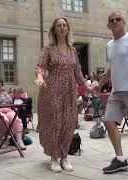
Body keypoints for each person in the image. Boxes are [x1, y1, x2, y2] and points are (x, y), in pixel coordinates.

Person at [94, 11, 128, 173]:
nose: (115, 21)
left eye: (118, 19)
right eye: (112, 20)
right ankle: (120, 159)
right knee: (109, 121)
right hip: (116, 92)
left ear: (124, 22)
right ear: (108, 25)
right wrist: (101, 84)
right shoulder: (109, 45)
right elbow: (112, 68)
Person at [34, 17, 91, 173]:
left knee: (68, 123)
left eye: (64, 25)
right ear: (54, 30)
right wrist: (40, 76)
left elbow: (78, 72)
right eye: (58, 25)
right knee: (54, 123)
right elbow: (40, 66)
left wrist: (87, 87)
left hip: (69, 92)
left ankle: (64, 156)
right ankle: (53, 157)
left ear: (67, 29)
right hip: (51, 91)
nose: (61, 27)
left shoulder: (73, 51)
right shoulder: (48, 49)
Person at [0, 80, 26, 150]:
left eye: (1, 84)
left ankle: (19, 141)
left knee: (15, 119)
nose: (0, 85)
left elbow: (10, 101)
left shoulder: (5, 94)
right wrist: (2, 99)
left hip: (8, 110)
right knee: (5, 120)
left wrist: (2, 99)